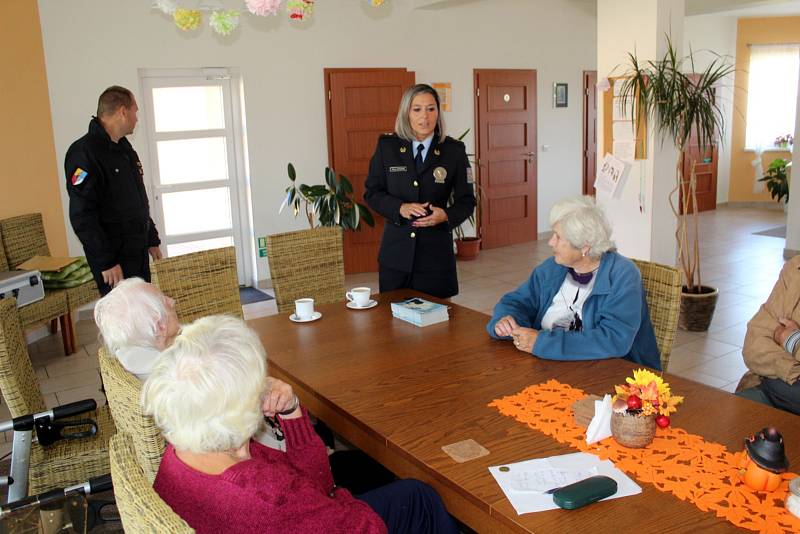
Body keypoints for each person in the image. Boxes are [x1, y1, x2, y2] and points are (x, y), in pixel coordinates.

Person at [142, 316, 459, 534]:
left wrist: (292, 412)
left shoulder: (184, 449)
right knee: (419, 497)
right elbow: (358, 522)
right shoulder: (270, 498)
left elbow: (314, 487)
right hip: (329, 520)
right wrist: (342, 503)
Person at [486, 196, 660, 369]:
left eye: (558, 237)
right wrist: (506, 321)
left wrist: (542, 343)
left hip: (608, 373)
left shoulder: (622, 275)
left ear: (585, 246)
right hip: (546, 364)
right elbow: (516, 301)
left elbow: (614, 339)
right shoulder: (554, 267)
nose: (550, 242)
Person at [364, 83, 475, 298]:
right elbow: (372, 192)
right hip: (396, 257)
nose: (425, 116)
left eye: (431, 108)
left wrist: (446, 216)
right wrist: (400, 208)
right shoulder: (388, 147)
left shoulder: (453, 151)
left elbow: (467, 201)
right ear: (406, 112)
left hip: (436, 258)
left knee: (440, 325)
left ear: (438, 112)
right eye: (417, 109)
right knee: (393, 324)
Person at [65, 85, 161, 296]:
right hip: (113, 259)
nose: (137, 118)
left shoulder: (124, 149)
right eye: (135, 111)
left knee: (143, 313)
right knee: (122, 319)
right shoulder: (84, 153)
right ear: (122, 111)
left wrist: (151, 238)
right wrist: (105, 261)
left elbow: (138, 200)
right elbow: (82, 215)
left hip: (136, 250)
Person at [738, 255, 800, 415]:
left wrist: (792, 341)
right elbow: (753, 345)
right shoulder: (796, 269)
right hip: (771, 393)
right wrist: (794, 371)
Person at [93, 277, 178, 381]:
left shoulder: (129, 354)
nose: (172, 301)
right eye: (165, 301)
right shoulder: (178, 373)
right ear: (160, 326)